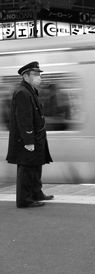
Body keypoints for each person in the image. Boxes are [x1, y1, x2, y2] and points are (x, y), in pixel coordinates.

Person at [6, 61, 54, 208]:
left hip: (36, 137)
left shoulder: (30, 90)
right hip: (27, 139)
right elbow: (24, 118)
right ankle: (24, 199)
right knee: (26, 169)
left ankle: (36, 193)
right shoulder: (22, 92)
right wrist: (28, 140)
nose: (39, 77)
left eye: (39, 74)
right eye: (36, 74)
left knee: (35, 167)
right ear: (26, 76)